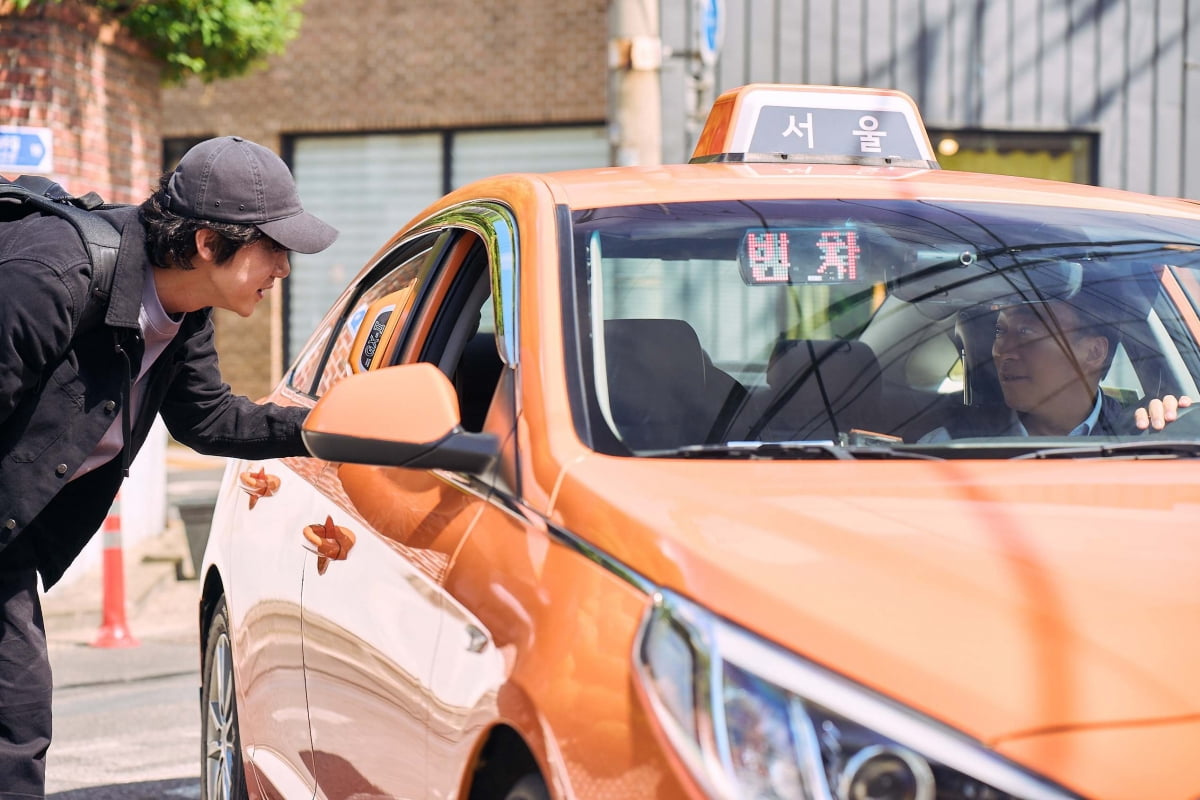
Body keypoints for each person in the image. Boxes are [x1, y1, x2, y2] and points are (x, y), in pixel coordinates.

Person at [0, 136, 337, 797]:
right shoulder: (49, 281)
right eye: (274, 248)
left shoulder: (184, 311)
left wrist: (330, 429)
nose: (284, 270)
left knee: (15, 717)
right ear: (210, 243)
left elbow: (208, 420)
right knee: (14, 721)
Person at [921, 294, 1191, 442]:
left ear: (1094, 352)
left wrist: (1173, 428)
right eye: (1000, 330)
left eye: (1027, 331)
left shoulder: (1141, 434)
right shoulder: (951, 445)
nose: (1003, 350)